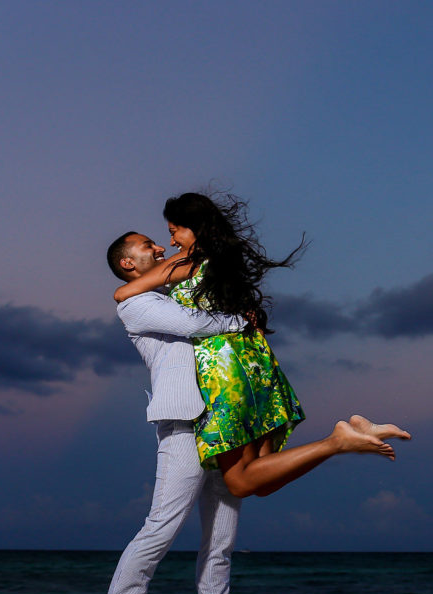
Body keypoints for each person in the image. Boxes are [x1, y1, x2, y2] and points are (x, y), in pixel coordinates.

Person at [89, 229, 409, 594]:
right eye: (149, 246)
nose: (160, 248)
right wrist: (241, 319)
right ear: (128, 263)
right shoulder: (137, 305)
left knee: (220, 545)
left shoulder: (177, 292)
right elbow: (196, 327)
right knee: (159, 532)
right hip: (185, 426)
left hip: (225, 424)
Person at [112, 192, 410, 498]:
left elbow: (124, 293)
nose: (171, 242)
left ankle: (335, 442)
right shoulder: (224, 258)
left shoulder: (186, 261)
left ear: (194, 227)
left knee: (240, 482)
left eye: (174, 232)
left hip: (225, 371)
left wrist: (163, 274)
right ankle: (352, 433)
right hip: (258, 363)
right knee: (263, 475)